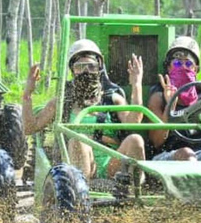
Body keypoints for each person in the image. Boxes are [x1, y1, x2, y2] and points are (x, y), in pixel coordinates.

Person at [23, 39, 146, 181]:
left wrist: (136, 84)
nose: (86, 71)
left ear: (99, 68)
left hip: (111, 163)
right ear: (72, 70)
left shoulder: (111, 99)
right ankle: (81, 195)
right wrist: (27, 94)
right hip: (76, 163)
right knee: (78, 140)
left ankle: (135, 192)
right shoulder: (62, 102)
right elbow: (30, 128)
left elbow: (134, 122)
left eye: (91, 66)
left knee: (136, 140)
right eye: (80, 67)